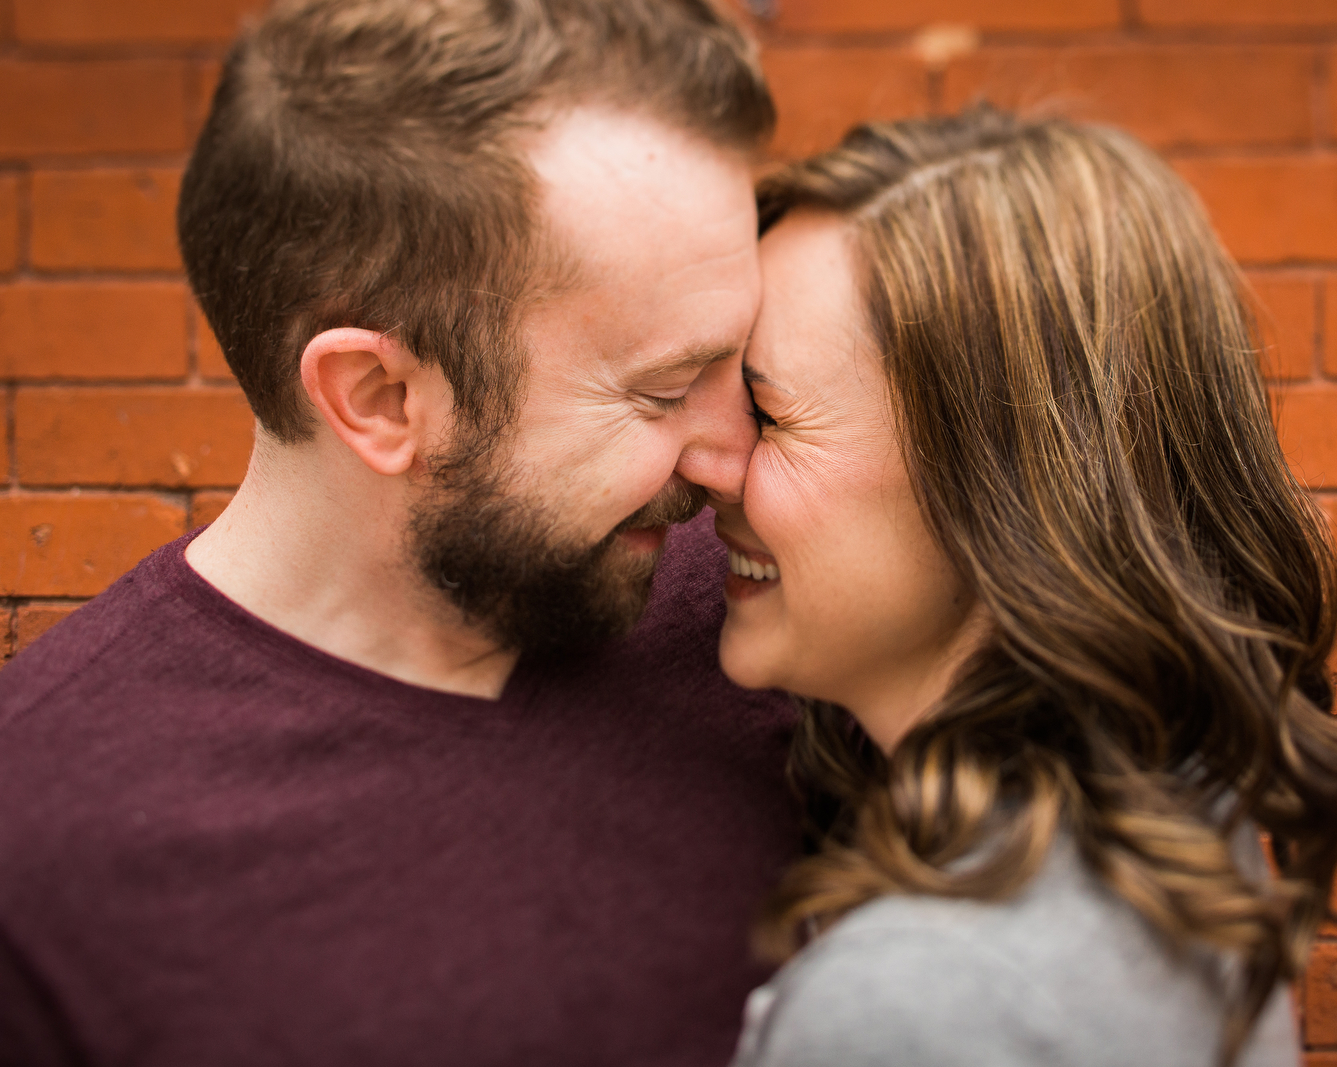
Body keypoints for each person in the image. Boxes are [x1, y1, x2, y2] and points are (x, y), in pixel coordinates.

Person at [0, 1, 799, 1064]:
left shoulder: (775, 615)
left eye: (740, 360)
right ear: (379, 398)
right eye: (663, 390)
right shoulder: (38, 859)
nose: (735, 460)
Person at [712, 110, 1337, 1067]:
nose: (710, 465)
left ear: (1001, 493)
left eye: (765, 412)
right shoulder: (1171, 815)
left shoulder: (910, 1006)